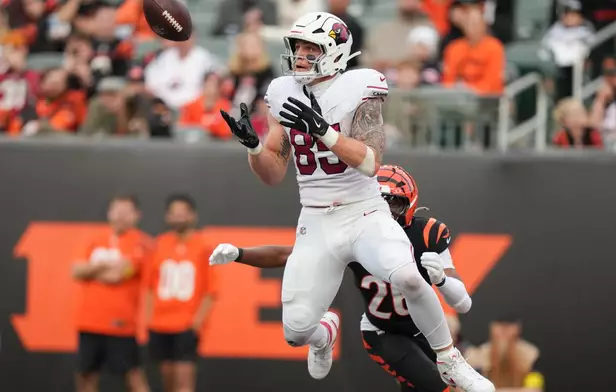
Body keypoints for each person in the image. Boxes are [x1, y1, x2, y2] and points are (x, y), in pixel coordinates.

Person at [219, 11, 493, 392]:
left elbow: (371, 162)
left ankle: (449, 359)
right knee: (296, 331)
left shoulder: (360, 87)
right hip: (316, 217)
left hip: (362, 209)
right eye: (297, 46)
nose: (300, 54)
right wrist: (251, 147)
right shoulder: (283, 93)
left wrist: (323, 132)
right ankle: (324, 334)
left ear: (334, 51)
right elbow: (273, 174)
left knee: (409, 277)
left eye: (310, 47)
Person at [211, 165, 479, 392]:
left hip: (423, 328)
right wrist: (240, 253)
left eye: (394, 202)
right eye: (379, 201)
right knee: (436, 386)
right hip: (383, 331)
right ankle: (324, 333)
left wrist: (442, 280)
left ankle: (449, 357)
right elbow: (287, 255)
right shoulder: (355, 232)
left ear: (410, 203)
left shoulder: (428, 233)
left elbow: (463, 304)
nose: (386, 211)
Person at [71, 194, 152, 392]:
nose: (120, 216)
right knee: (85, 375)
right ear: (109, 212)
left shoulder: (142, 243)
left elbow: (117, 275)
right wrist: (106, 265)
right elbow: (75, 271)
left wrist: (94, 267)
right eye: (117, 210)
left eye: (126, 212)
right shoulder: (95, 239)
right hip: (89, 321)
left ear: (136, 215)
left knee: (133, 377)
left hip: (121, 324)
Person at [145, 194, 217, 392]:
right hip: (159, 324)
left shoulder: (203, 247)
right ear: (167, 217)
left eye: (183, 212)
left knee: (184, 381)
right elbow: (150, 286)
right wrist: (149, 319)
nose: (178, 217)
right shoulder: (158, 244)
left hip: (185, 324)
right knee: (167, 380)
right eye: (174, 213)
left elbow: (211, 291)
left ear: (192, 216)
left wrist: (196, 323)